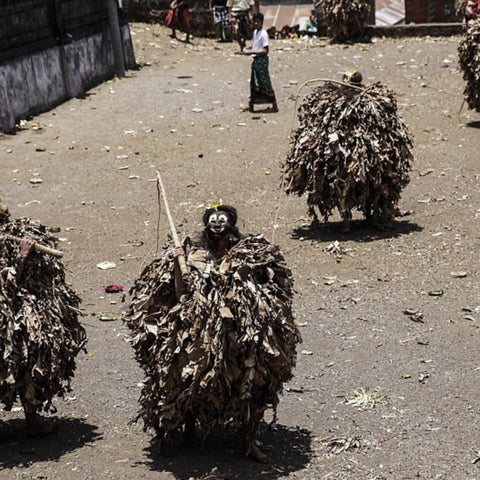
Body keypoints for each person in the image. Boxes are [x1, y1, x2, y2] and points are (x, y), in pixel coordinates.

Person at [125, 204, 300, 463]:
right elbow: (183, 293)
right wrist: (177, 263)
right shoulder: (195, 255)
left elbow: (264, 284)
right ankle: (189, 430)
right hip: (199, 326)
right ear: (207, 225)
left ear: (231, 224)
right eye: (213, 221)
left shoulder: (245, 253)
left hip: (242, 328)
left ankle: (248, 439)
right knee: (190, 375)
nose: (218, 225)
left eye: (222, 220)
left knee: (253, 379)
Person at [0, 201, 87, 436]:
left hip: (21, 310)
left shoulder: (11, 235)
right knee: (11, 362)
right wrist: (22, 257)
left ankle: (32, 418)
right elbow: (6, 285)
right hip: (6, 315)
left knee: (32, 361)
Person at [243, 12, 278, 113]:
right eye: (254, 22)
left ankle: (274, 104)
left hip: (262, 60)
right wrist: (248, 47)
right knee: (254, 83)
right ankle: (252, 105)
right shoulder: (255, 32)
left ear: (261, 22)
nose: (255, 24)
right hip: (256, 60)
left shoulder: (263, 33)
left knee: (265, 82)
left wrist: (252, 52)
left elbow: (265, 50)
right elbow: (256, 44)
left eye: (257, 22)